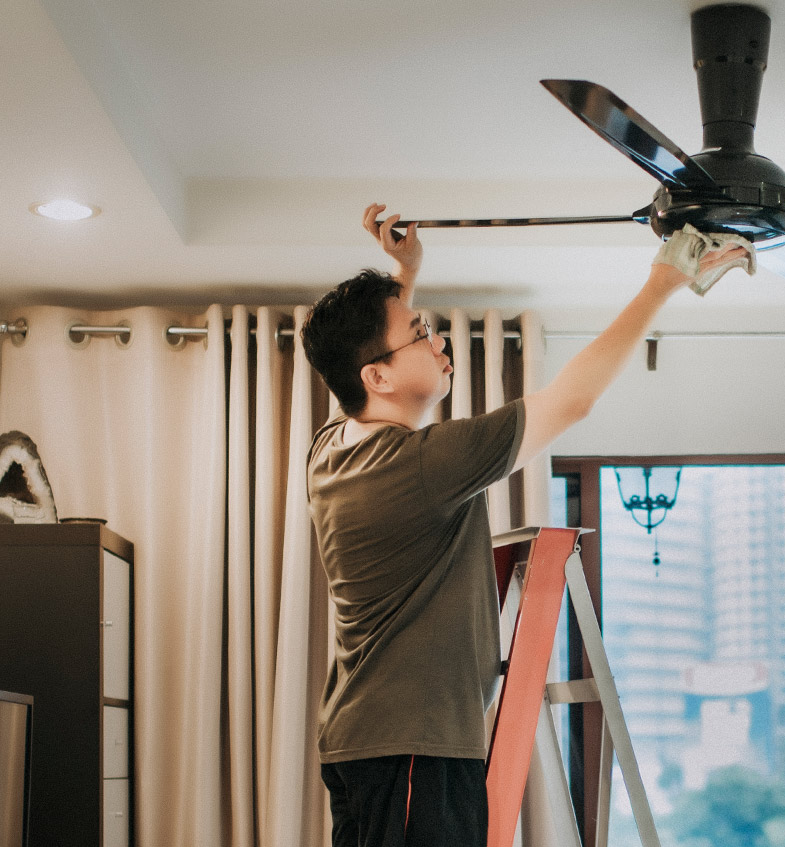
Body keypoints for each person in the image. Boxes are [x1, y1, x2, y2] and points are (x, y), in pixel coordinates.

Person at [301, 203, 744, 847]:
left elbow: (376, 355)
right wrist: (662, 284)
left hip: (374, 741)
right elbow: (572, 401)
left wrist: (404, 277)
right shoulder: (419, 466)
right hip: (412, 748)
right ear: (377, 375)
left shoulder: (334, 448)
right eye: (421, 332)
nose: (437, 340)